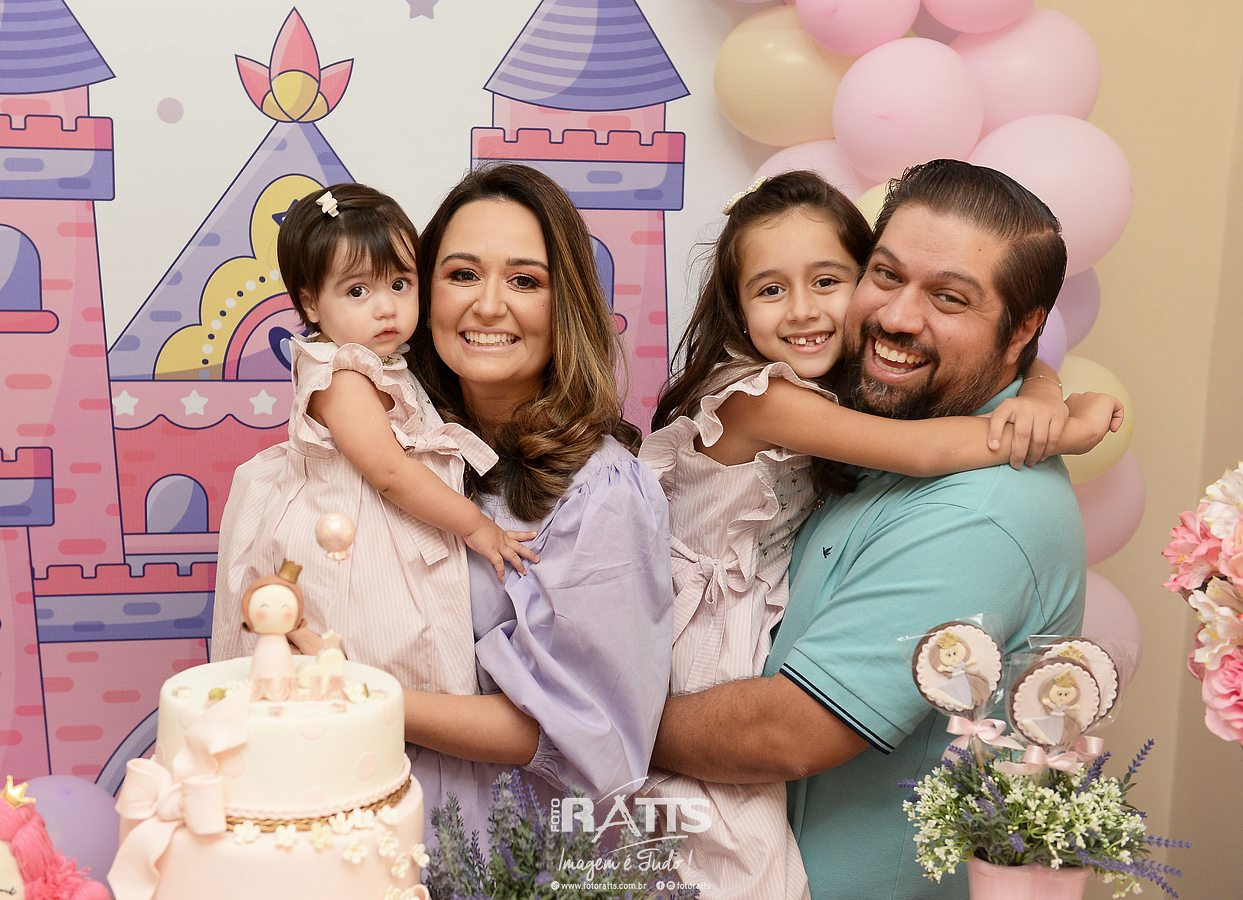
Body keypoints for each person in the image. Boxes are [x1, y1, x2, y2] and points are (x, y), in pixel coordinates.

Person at [639, 171, 1119, 898]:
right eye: (886, 275)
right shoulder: (859, 415)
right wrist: (1046, 391)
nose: (896, 316)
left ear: (1022, 329)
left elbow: (786, 733)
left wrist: (585, 725)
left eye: (948, 297)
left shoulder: (978, 513)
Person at [395, 163, 673, 839]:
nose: (489, 306)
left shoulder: (602, 492)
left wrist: (355, 696)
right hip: (366, 834)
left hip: (503, 853)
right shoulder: (397, 459)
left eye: (524, 281)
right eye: (462, 274)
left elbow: (584, 731)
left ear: (565, 304)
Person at [212, 183, 535, 697]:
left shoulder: (386, 363)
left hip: (388, 534)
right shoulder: (340, 375)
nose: (386, 308)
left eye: (400, 284)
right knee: (363, 654)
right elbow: (389, 472)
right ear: (311, 303)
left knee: (412, 651)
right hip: (348, 545)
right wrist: (476, 526)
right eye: (357, 292)